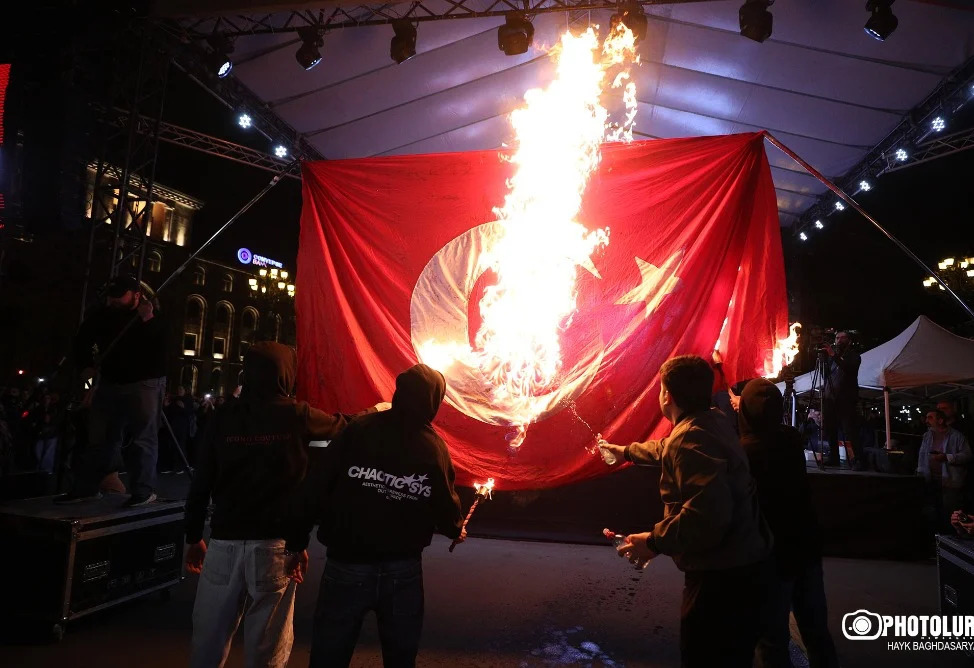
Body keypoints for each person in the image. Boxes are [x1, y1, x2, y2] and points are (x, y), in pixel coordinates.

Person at [183, 341, 385, 668]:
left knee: (207, 644)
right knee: (268, 649)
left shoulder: (223, 417)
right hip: (275, 547)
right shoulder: (296, 415)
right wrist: (376, 413)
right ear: (285, 373)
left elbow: (201, 480)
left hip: (224, 544)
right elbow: (344, 428)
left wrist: (193, 536)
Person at [285, 364, 465, 668]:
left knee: (329, 654)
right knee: (400, 658)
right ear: (433, 401)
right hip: (401, 571)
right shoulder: (433, 447)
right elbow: (446, 505)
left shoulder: (359, 429)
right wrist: (454, 528)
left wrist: (296, 541)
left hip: (347, 563)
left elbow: (315, 486)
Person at [599, 355, 773, 668]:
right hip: (743, 568)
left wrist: (652, 542)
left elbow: (706, 516)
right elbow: (667, 447)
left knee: (707, 657)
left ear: (668, 396)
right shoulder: (712, 420)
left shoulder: (692, 437)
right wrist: (624, 451)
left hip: (720, 581)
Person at [736, 378, 839, 668]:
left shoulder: (744, 451)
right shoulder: (790, 440)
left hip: (770, 555)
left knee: (771, 639)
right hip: (805, 548)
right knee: (816, 632)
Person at [56, 275, 168, 506]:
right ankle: (87, 487)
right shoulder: (103, 314)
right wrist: (87, 370)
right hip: (109, 382)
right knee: (100, 436)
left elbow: (160, 347)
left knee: (142, 437)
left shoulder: (153, 316)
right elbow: (83, 341)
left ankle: (143, 490)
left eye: (120, 296)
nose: (114, 300)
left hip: (144, 382)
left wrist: (147, 319)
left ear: (136, 295)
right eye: (111, 296)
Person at [917, 408, 971, 531]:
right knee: (932, 510)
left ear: (940, 420)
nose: (926, 421)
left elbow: (967, 456)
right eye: (926, 418)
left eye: (930, 418)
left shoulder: (957, 436)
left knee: (949, 512)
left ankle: (951, 538)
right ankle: (936, 537)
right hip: (930, 479)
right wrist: (920, 472)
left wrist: (947, 457)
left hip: (950, 482)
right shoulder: (927, 435)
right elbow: (922, 454)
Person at [821, 331, 862, 469]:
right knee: (830, 429)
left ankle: (859, 460)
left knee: (850, 430)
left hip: (846, 399)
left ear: (849, 341)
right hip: (830, 398)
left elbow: (849, 369)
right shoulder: (831, 358)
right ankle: (834, 457)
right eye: (837, 338)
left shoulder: (854, 356)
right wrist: (825, 359)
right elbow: (825, 375)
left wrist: (834, 355)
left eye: (842, 338)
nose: (838, 340)